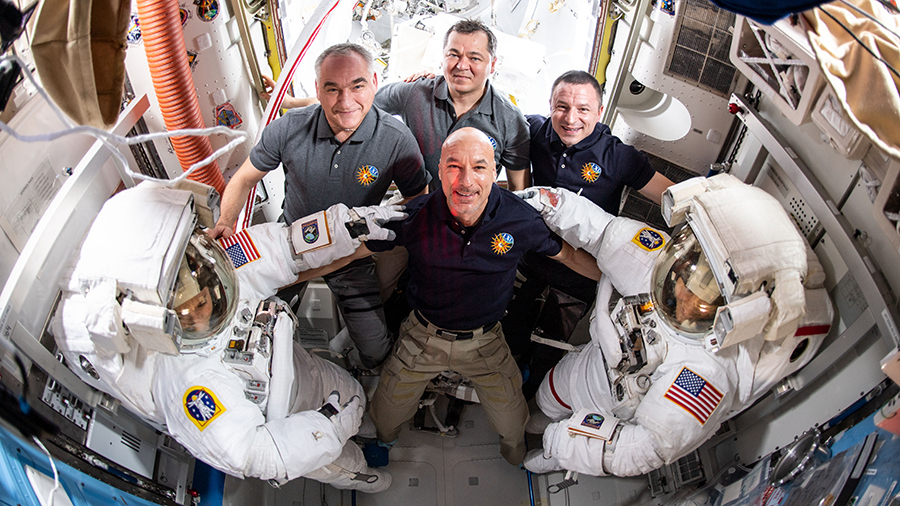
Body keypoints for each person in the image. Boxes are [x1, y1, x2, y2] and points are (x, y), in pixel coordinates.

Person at [53, 183, 407, 490]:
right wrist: (329, 426)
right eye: (190, 302)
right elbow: (256, 453)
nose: (204, 291)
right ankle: (364, 476)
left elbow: (286, 246)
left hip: (306, 372)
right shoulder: (188, 388)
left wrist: (350, 224)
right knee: (340, 462)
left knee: (353, 394)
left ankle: (362, 423)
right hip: (290, 421)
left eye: (196, 271)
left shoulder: (216, 266)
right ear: (157, 323)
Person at [516, 174, 833, 477]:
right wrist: (550, 203)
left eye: (703, 296)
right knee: (546, 398)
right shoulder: (663, 263)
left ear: (734, 311)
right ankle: (542, 421)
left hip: (609, 406)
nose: (682, 291)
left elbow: (645, 447)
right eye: (691, 268)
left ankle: (549, 456)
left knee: (557, 442)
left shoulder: (705, 373)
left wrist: (562, 443)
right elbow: (603, 232)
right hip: (585, 365)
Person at [326, 127, 600, 466]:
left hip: (486, 341)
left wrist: (618, 279)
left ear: (495, 171)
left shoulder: (519, 219)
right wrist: (286, 273)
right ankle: (385, 443)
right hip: (422, 337)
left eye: (479, 167)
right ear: (439, 171)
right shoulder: (413, 216)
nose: (465, 180)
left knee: (515, 428)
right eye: (454, 166)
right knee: (384, 416)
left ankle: (516, 460)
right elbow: (351, 251)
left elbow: (570, 256)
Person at [211, 43, 429, 370]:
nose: (345, 102)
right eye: (332, 89)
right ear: (317, 89)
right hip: (289, 248)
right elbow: (243, 179)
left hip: (350, 257)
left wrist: (369, 243)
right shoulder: (289, 128)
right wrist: (226, 222)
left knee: (375, 352)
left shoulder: (396, 140)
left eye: (357, 86)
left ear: (374, 81)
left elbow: (417, 200)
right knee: (244, 321)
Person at [502, 70, 674, 398]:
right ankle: (509, 383)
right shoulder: (535, 131)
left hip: (578, 276)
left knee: (549, 350)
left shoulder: (619, 157)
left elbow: (672, 197)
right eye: (562, 107)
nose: (571, 118)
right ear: (550, 106)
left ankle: (531, 397)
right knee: (511, 335)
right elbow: (495, 114)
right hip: (530, 262)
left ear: (599, 110)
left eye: (583, 109)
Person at [373, 19, 531, 191]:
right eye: (453, 55)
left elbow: (519, 191)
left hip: (478, 213)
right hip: (420, 206)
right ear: (442, 58)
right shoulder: (414, 93)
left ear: (492, 65)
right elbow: (360, 105)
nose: (462, 65)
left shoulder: (510, 119)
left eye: (474, 58)